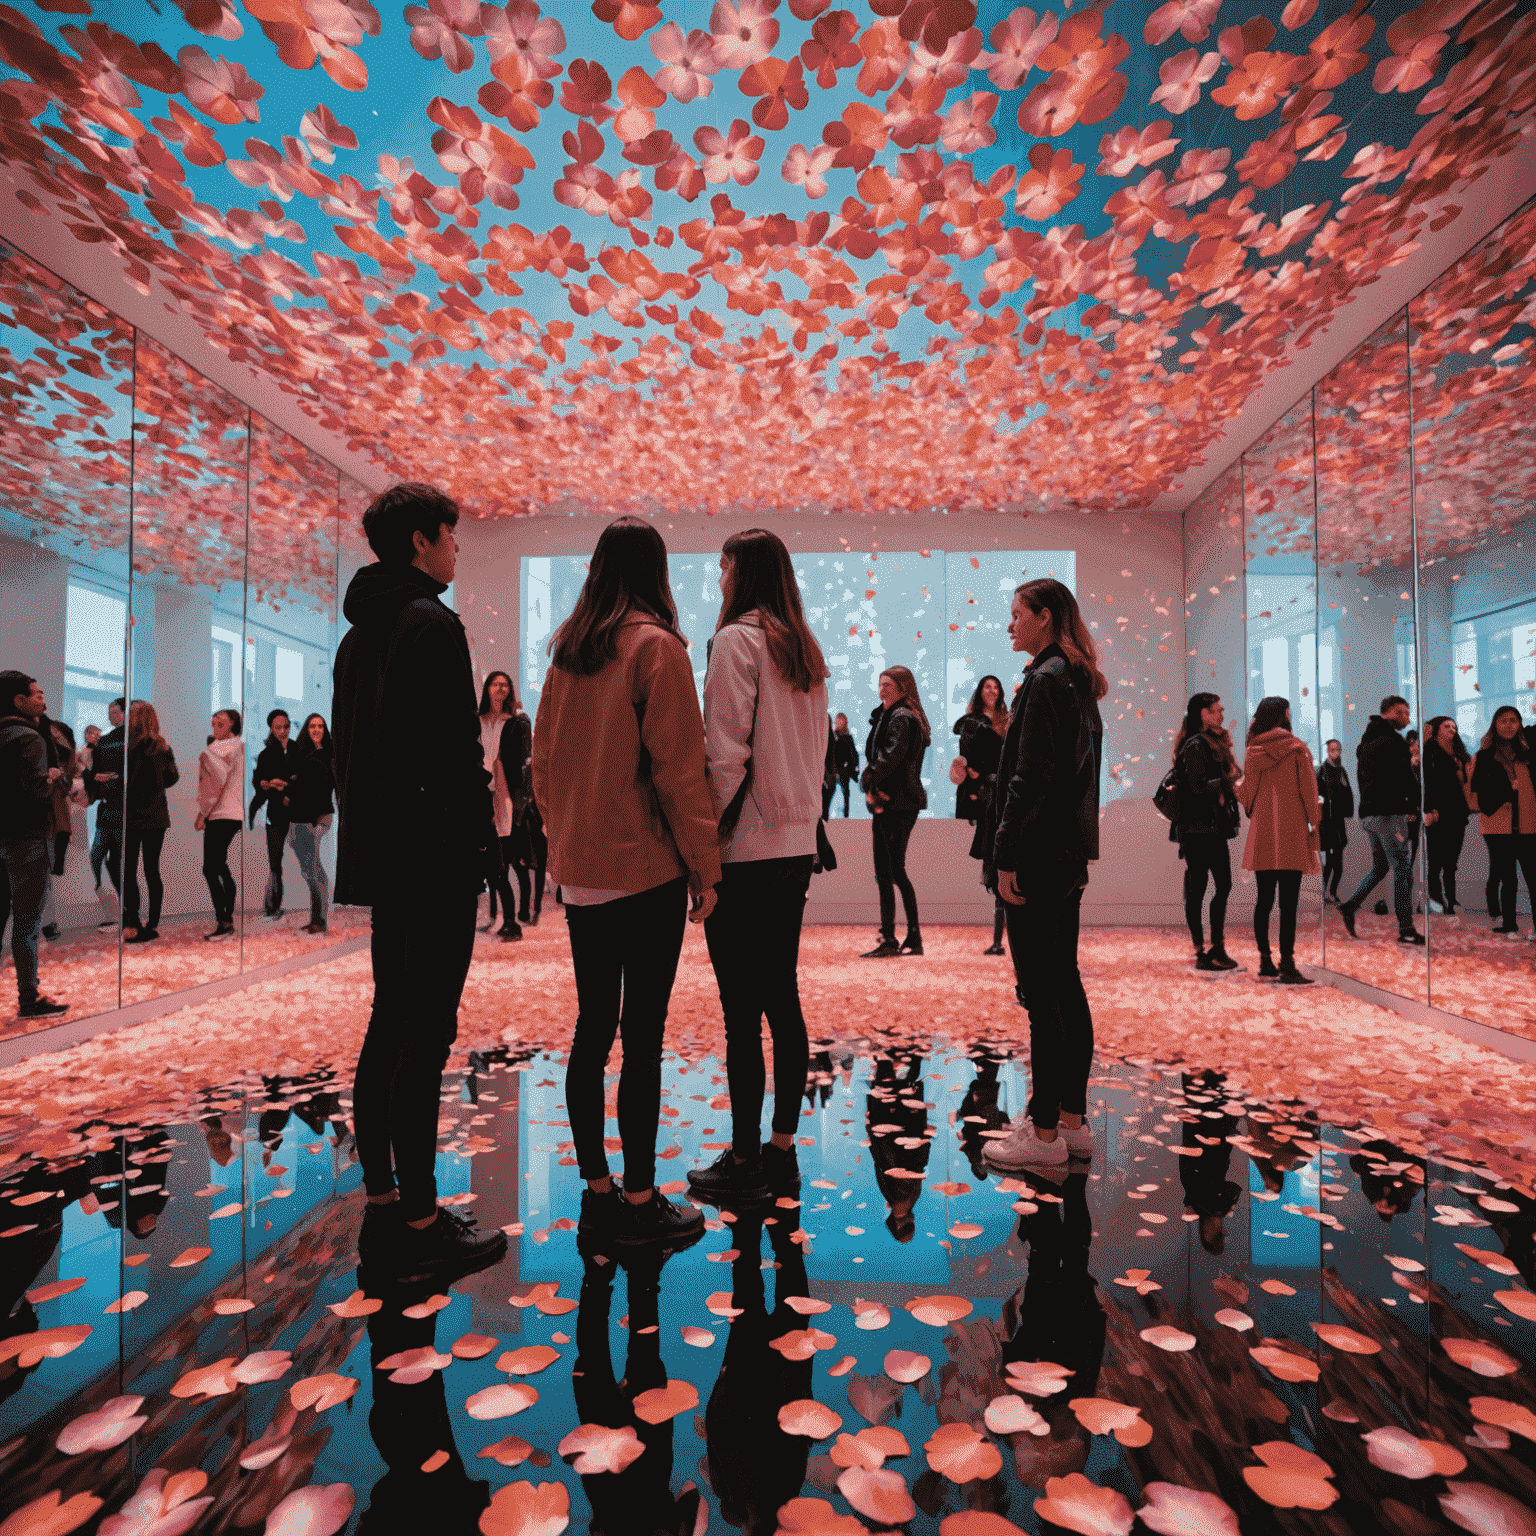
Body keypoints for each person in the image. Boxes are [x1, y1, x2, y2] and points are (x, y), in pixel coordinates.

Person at [334, 482, 507, 1280]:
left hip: (385, 853)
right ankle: (422, 1218)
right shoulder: (431, 623)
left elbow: (351, 760)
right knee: (426, 1033)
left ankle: (383, 1206)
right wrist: (480, 848)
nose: (457, 547)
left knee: (388, 1024)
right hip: (433, 857)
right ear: (418, 541)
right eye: (450, 533)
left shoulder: (359, 633)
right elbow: (456, 755)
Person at [532, 516, 719, 1245]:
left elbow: (541, 767)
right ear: (656, 572)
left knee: (590, 1030)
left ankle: (598, 1191)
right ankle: (642, 1203)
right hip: (643, 871)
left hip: (583, 874)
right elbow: (679, 771)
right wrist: (706, 867)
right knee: (642, 1037)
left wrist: (564, 838)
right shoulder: (657, 648)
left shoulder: (567, 655)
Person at [686, 528, 828, 1207]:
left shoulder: (735, 642)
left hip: (745, 845)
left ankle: (745, 1159)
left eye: (723, 567)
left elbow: (724, 754)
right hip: (796, 843)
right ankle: (778, 1146)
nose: (719, 579)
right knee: (783, 997)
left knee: (742, 1010)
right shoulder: (802, 647)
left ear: (741, 572)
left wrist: (701, 842)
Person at [983, 579, 1105, 1170]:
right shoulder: (1075, 680)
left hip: (1036, 857)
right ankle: (1072, 1121)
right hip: (1064, 856)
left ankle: (1045, 1131)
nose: (1010, 625)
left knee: (1043, 995)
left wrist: (1006, 854)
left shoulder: (1047, 681)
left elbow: (1028, 780)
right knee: (1064, 984)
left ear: (1045, 617)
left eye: (1016, 615)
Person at [1236, 696, 1320, 984]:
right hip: (1293, 831)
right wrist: (1315, 823)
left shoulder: (1253, 750)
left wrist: (1250, 803)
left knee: (1264, 901)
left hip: (1263, 833)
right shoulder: (1298, 749)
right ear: (1285, 714)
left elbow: (1247, 795)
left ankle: (1264, 961)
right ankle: (1287, 963)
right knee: (1289, 903)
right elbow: (1309, 791)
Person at [0, 672, 68, 1018]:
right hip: (26, 838)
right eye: (36, 694)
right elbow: (37, 791)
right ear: (19, 701)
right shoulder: (30, 739)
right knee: (26, 926)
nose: (43, 699)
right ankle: (29, 1000)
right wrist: (54, 779)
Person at [1338, 695, 1424, 946]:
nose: (1408, 718)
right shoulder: (1393, 741)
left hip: (1370, 814)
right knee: (1403, 869)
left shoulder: (1367, 740)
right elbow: (1404, 778)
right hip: (1389, 814)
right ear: (1392, 712)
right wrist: (1413, 804)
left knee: (1382, 867)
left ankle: (1351, 905)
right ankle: (1406, 929)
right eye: (1404, 713)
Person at [859, 665, 929, 958]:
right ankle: (911, 937)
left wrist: (868, 781)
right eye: (880, 684)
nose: (882, 689)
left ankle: (891, 938)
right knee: (894, 871)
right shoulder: (897, 715)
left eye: (888, 684)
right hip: (897, 802)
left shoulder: (901, 718)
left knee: (888, 872)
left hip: (894, 803)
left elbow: (889, 758)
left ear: (902, 687)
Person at [1170, 692, 1241, 972]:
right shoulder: (1196, 745)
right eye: (1216, 709)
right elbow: (1196, 787)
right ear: (1203, 713)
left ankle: (1217, 946)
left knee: (1221, 885)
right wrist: (1228, 781)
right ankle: (1202, 949)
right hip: (1198, 828)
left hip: (1211, 827)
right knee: (1198, 889)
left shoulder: (1212, 741)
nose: (1221, 713)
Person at [954, 675, 1010, 955]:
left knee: (1004, 856)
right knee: (994, 856)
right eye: (987, 686)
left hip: (1008, 795)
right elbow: (968, 762)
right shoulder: (972, 723)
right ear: (980, 692)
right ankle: (998, 940)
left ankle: (1002, 938)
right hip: (989, 797)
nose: (992, 690)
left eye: (996, 686)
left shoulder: (1007, 720)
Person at [1471, 706, 1536, 940]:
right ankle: (1510, 925)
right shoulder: (1485, 756)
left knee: (1533, 877)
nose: (1508, 725)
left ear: (1519, 724)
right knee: (1508, 878)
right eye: (1503, 721)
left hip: (1528, 825)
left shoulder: (1528, 753)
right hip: (1498, 827)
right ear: (1494, 724)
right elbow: (1480, 793)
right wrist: (1509, 790)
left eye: (1513, 720)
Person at [122, 700, 178, 945]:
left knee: (129, 870)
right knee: (151, 870)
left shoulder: (127, 748)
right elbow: (172, 778)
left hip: (132, 813)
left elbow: (126, 782)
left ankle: (132, 922)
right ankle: (152, 923)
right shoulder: (162, 747)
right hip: (156, 814)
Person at [477, 670, 526, 941]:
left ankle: (509, 921)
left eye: (505, 685)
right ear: (487, 688)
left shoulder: (515, 724)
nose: (500, 689)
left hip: (502, 798)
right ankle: (498, 918)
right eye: (496, 684)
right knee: (490, 867)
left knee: (500, 865)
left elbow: (519, 766)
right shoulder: (476, 721)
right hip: (478, 795)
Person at [194, 708, 244, 941]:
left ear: (233, 723)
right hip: (226, 813)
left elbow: (214, 786)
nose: (215, 722)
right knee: (218, 866)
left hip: (222, 813)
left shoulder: (221, 748)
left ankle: (225, 922)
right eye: (213, 719)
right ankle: (226, 920)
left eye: (221, 719)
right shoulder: (234, 746)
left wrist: (204, 812)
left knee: (211, 868)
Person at [283, 714, 335, 935]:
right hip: (300, 817)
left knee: (314, 868)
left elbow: (324, 787)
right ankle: (316, 917)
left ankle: (321, 919)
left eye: (320, 726)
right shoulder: (300, 754)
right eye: (313, 726)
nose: (316, 730)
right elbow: (293, 783)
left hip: (319, 817)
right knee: (308, 869)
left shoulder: (329, 756)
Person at [250, 709, 301, 918]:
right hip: (275, 812)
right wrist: (264, 784)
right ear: (271, 728)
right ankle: (273, 905)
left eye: (286, 726)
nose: (283, 731)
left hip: (298, 812)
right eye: (278, 727)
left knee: (307, 860)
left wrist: (287, 787)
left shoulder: (298, 749)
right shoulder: (266, 754)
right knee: (274, 860)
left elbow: (304, 779)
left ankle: (317, 910)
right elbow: (258, 780)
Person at [1422, 715, 1472, 918]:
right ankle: (1436, 898)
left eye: (1454, 726)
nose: (1452, 729)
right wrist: (1429, 809)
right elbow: (1427, 783)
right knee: (1435, 860)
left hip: (1458, 811)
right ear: (1436, 728)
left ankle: (1451, 899)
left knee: (1451, 860)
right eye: (1447, 726)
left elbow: (1465, 782)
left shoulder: (1460, 753)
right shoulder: (1430, 751)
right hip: (1438, 812)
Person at [84, 698, 125, 925]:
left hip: (123, 810)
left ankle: (122, 912)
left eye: (115, 711)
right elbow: (93, 773)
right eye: (109, 711)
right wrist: (95, 778)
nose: (111, 715)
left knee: (117, 862)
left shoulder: (133, 740)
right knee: (96, 857)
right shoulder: (106, 741)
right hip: (106, 809)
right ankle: (113, 909)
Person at [38, 718, 77, 941]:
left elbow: (66, 786)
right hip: (42, 816)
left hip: (50, 818)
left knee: (42, 873)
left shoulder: (64, 754)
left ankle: (48, 922)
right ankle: (48, 922)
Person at [1316, 738, 1353, 904]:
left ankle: (1332, 892)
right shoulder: (1321, 771)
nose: (1334, 752)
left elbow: (1348, 793)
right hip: (1325, 824)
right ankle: (1323, 893)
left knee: (1338, 863)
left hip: (1338, 823)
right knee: (1328, 862)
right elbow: (1316, 797)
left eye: (1337, 749)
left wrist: (1348, 813)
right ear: (1327, 750)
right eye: (1332, 749)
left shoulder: (1341, 771)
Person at [828, 712, 858, 817]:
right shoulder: (832, 735)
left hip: (844, 768)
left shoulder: (848, 737)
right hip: (833, 767)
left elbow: (854, 753)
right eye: (838, 720)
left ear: (845, 722)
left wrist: (855, 767)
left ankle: (846, 815)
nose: (840, 722)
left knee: (846, 792)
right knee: (830, 790)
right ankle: (825, 814)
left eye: (842, 720)